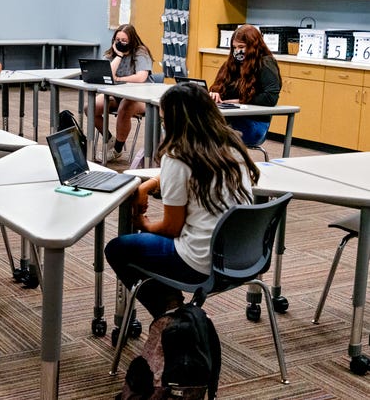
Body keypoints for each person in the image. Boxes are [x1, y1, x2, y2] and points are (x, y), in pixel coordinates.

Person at [105, 83, 260, 319]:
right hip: (244, 258)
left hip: (199, 263)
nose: (163, 124)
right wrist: (149, 184)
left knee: (118, 249)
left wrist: (143, 224)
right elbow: (183, 176)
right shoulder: (231, 147)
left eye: (165, 118)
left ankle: (171, 314)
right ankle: (173, 309)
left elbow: (171, 228)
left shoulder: (178, 156)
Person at [88, 24, 154, 162]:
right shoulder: (112, 53)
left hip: (141, 97)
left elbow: (141, 77)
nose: (120, 43)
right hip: (116, 95)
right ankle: (110, 139)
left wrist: (119, 79)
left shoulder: (141, 52)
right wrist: (118, 56)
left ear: (132, 41)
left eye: (124, 40)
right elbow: (107, 75)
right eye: (117, 40)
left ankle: (117, 149)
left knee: (125, 108)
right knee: (90, 107)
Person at [209, 24, 282, 147]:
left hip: (254, 124)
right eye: (234, 48)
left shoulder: (265, 63)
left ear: (253, 46)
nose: (237, 51)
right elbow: (218, 86)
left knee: (204, 129)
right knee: (197, 124)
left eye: (241, 47)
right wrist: (215, 93)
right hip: (230, 118)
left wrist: (240, 101)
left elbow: (270, 98)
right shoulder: (231, 64)